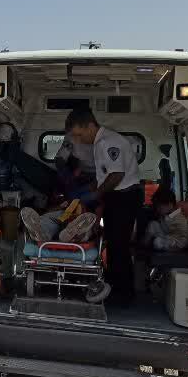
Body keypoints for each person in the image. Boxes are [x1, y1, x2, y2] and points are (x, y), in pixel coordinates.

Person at [65, 108, 142, 306]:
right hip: (117, 197)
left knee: (119, 246)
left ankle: (124, 294)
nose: (79, 140)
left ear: (90, 125)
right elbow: (104, 175)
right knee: (113, 243)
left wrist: (96, 195)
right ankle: (115, 287)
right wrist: (86, 189)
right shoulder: (101, 142)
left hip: (124, 198)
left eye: (80, 135)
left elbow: (117, 175)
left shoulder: (108, 142)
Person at [144, 188, 188, 252]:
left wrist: (168, 239)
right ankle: (144, 245)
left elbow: (184, 236)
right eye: (157, 207)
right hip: (168, 236)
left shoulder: (178, 216)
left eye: (160, 207)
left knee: (157, 242)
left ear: (170, 205)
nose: (158, 209)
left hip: (177, 242)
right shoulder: (166, 215)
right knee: (153, 224)